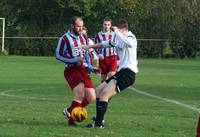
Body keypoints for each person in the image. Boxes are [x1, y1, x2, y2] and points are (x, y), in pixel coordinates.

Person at [82, 19, 139, 128]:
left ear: (121, 29)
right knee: (98, 91)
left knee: (105, 95)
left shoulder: (131, 37)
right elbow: (104, 44)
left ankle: (98, 124)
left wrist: (116, 31)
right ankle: (99, 121)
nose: (113, 32)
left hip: (128, 74)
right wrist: (89, 47)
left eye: (115, 29)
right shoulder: (118, 39)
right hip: (122, 72)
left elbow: (129, 43)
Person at [55, 16, 96, 127]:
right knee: (79, 94)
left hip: (83, 69)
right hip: (71, 70)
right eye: (78, 26)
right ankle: (71, 122)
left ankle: (69, 110)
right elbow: (58, 55)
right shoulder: (64, 38)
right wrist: (74, 60)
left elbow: (86, 53)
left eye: (82, 26)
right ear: (72, 26)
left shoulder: (83, 37)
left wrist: (91, 67)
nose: (81, 29)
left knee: (91, 97)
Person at [94, 17, 118, 83]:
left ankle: (110, 92)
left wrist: (118, 58)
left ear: (110, 25)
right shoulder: (98, 35)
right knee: (103, 80)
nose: (106, 26)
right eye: (105, 24)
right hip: (103, 59)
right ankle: (103, 91)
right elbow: (95, 47)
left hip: (112, 58)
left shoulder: (114, 34)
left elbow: (118, 46)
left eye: (108, 24)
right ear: (102, 25)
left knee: (111, 76)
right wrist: (98, 55)